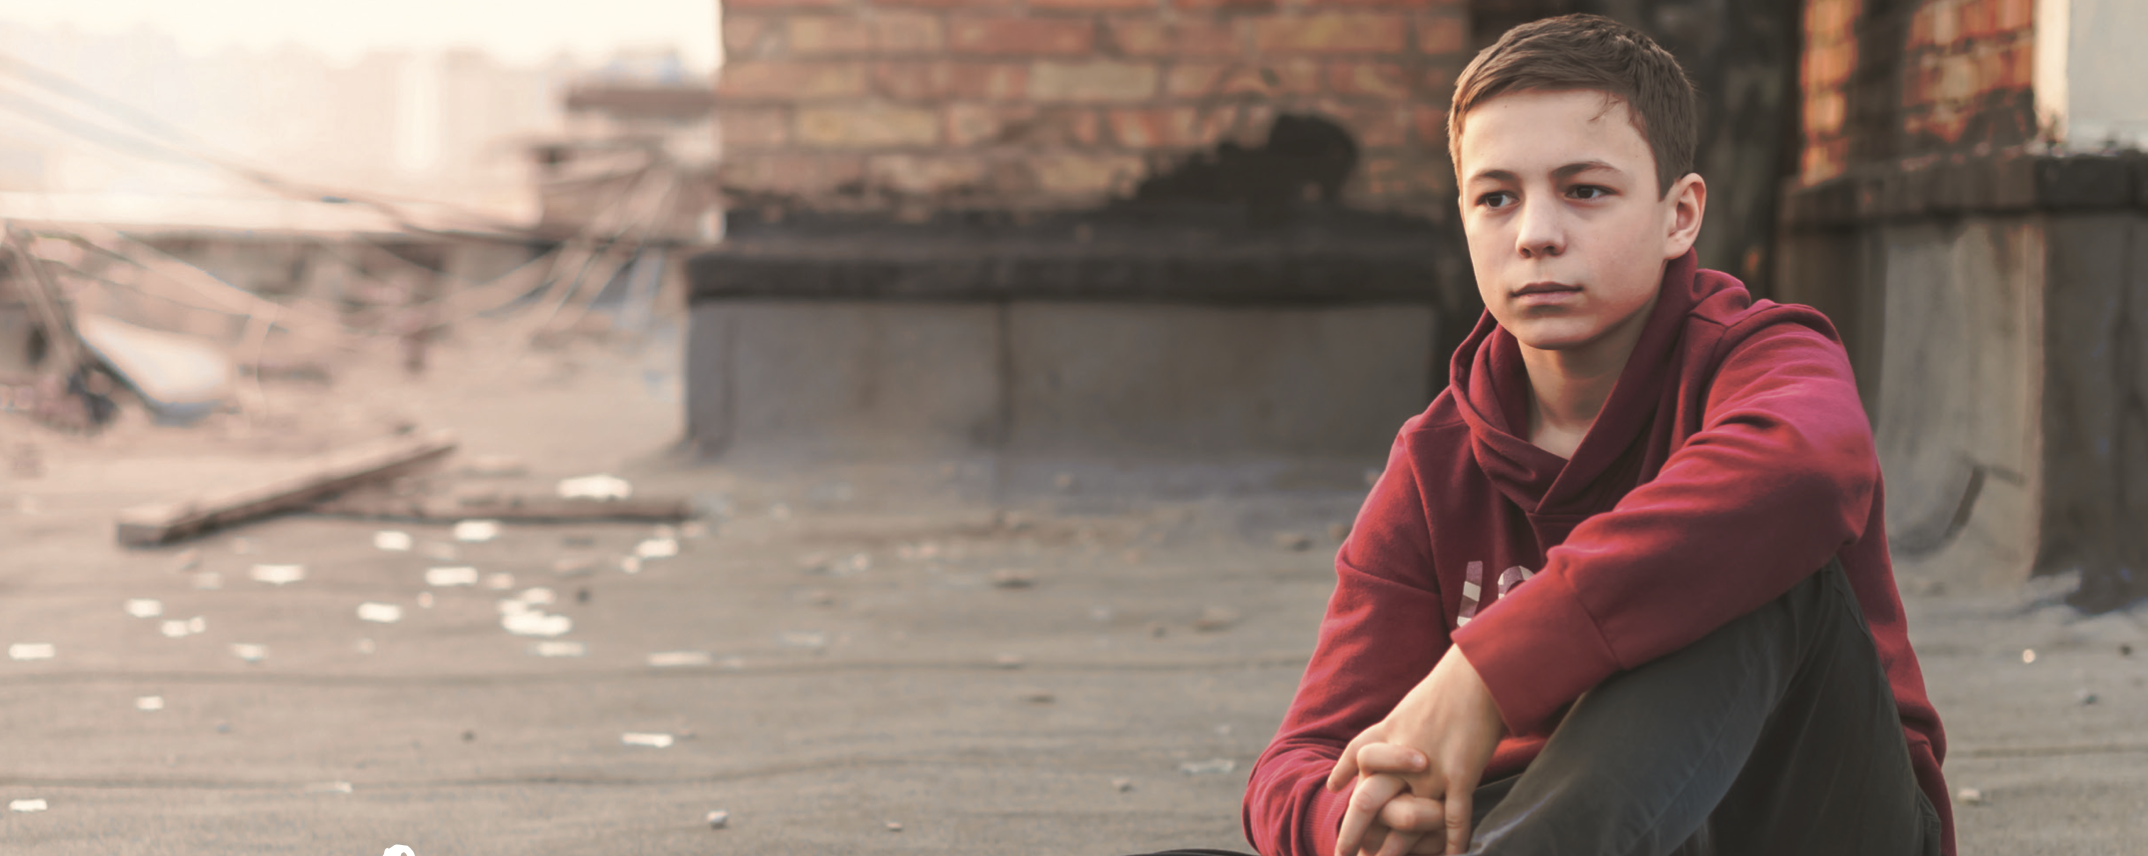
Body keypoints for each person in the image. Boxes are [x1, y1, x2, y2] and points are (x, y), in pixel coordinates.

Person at [1140, 13, 1953, 856]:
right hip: (1547, 827)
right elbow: (1299, 760)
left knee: (1760, 558)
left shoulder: (1763, 355)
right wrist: (1365, 819)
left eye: (1585, 191)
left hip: (1805, 818)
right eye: (1496, 198)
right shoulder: (1437, 462)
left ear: (1681, 216)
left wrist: (1486, 673)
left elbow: (1804, 478)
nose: (1535, 234)